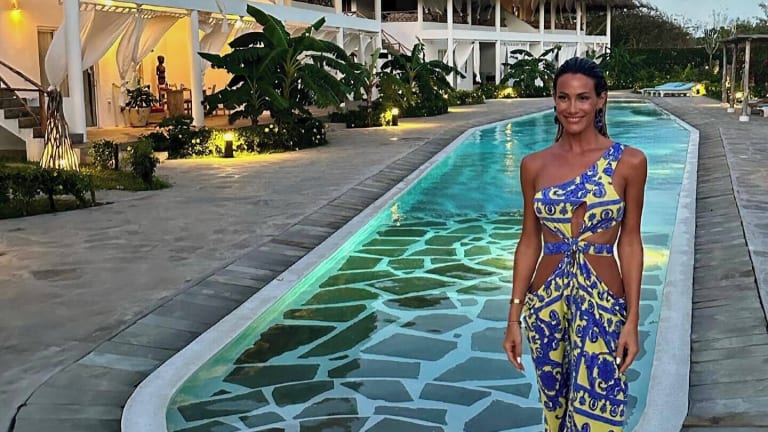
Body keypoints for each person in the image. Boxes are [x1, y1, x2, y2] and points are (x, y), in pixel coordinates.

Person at [503, 56, 647, 431]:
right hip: (545, 305)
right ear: (554, 101)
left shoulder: (630, 162)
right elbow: (529, 242)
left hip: (603, 304)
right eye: (563, 97)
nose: (572, 108)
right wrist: (513, 318)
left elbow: (630, 242)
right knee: (555, 413)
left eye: (583, 98)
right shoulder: (534, 165)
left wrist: (632, 319)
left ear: (601, 100)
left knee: (599, 412)